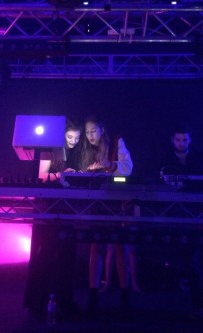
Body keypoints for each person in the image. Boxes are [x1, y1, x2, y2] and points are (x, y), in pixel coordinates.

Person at [75, 115, 134, 318]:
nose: (90, 135)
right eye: (88, 131)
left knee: (120, 247)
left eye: (93, 131)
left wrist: (111, 164)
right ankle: (93, 298)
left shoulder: (117, 141)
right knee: (96, 246)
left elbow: (128, 168)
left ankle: (125, 301)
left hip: (116, 201)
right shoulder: (86, 148)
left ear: (101, 129)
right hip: (96, 201)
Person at [23, 118, 81, 321]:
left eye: (76, 138)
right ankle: (37, 304)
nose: (73, 141)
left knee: (65, 256)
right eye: (70, 137)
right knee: (44, 255)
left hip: (64, 208)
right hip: (47, 208)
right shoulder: (49, 151)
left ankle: (61, 301)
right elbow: (41, 176)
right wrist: (62, 175)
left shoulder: (72, 155)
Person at [160, 123, 203, 319]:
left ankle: (196, 305)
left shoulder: (198, 158)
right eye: (178, 139)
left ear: (190, 140)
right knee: (183, 258)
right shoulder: (165, 161)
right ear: (172, 140)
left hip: (197, 213)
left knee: (195, 257)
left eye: (184, 139)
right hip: (174, 214)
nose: (181, 143)